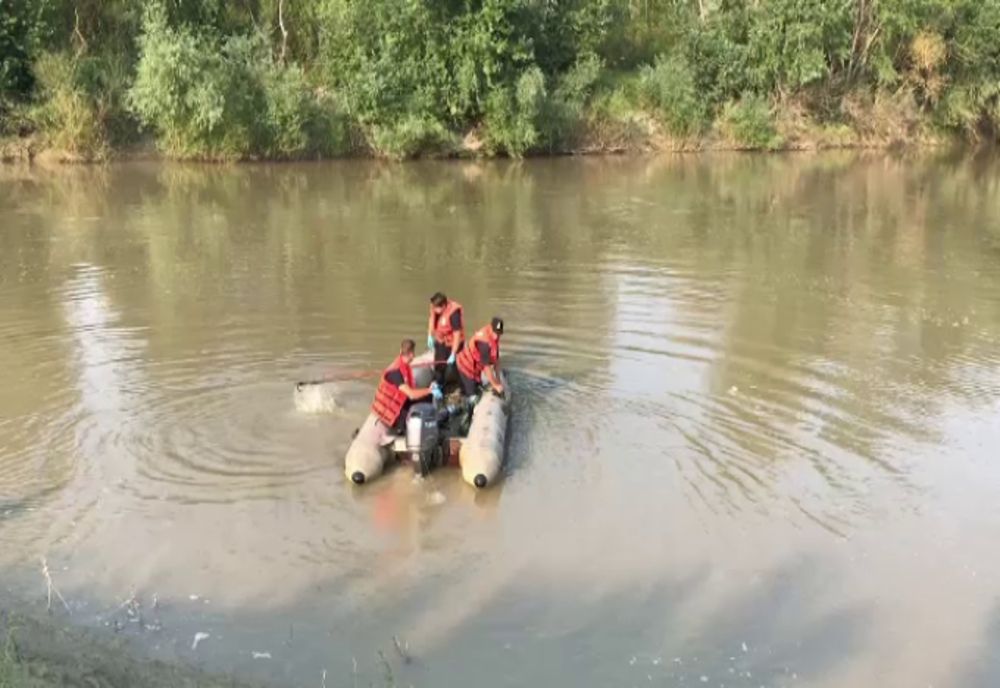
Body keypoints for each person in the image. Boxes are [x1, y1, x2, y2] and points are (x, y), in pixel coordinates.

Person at [372, 339, 442, 431]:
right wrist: (430, 390)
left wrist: (429, 391)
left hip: (398, 403)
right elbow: (411, 395)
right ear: (411, 354)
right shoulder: (395, 372)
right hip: (393, 414)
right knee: (421, 421)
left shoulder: (403, 365)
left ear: (401, 351)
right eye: (413, 352)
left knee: (427, 398)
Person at [456, 317, 505, 398]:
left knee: (479, 388)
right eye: (495, 333)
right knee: (472, 396)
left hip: (476, 369)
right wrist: (495, 385)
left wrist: (498, 381)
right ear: (491, 328)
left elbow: (496, 360)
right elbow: (486, 368)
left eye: (499, 334)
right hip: (466, 367)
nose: (496, 336)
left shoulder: (494, 337)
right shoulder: (484, 342)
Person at [426, 292, 464, 387]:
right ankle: (438, 384)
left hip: (453, 342)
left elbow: (457, 334)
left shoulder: (454, 313)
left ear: (443, 306)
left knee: (456, 365)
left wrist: (453, 353)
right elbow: (432, 319)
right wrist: (430, 335)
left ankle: (463, 387)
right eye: (433, 307)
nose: (434, 309)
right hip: (441, 340)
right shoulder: (434, 306)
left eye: (436, 308)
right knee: (439, 364)